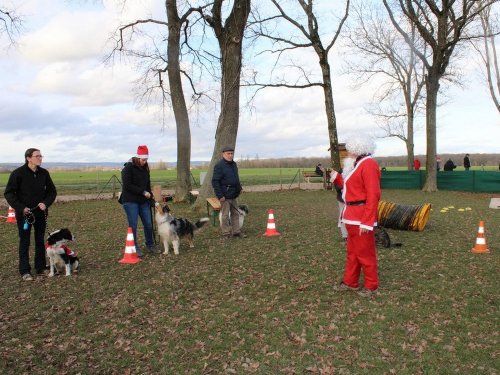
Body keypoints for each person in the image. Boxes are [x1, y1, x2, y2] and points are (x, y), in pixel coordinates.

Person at [329, 135, 381, 297]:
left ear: (358, 150)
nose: (347, 153)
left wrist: (367, 221)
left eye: (349, 150)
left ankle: (371, 285)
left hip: (360, 218)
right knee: (353, 253)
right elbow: (352, 189)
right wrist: (337, 178)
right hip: (351, 216)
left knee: (365, 253)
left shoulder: (368, 165)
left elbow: (373, 194)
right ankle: (351, 282)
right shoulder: (357, 165)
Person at [4, 148, 57, 281]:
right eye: (37, 156)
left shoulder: (44, 173)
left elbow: (52, 191)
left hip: (40, 213)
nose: (40, 158)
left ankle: (40, 267)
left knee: (40, 240)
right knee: (25, 241)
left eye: (41, 156)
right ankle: (24, 270)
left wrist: (45, 203)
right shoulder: (18, 173)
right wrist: (21, 208)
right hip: (24, 215)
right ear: (28, 158)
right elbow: (9, 193)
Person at [120, 145, 156, 256]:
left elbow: (147, 184)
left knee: (149, 224)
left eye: (146, 160)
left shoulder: (145, 168)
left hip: (143, 200)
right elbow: (127, 185)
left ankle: (150, 244)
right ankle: (134, 247)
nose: (145, 162)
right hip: (130, 200)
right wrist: (142, 192)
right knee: (133, 224)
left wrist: (151, 196)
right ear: (138, 157)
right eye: (143, 159)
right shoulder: (128, 168)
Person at [212, 145, 246, 238]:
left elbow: (236, 178)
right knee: (225, 215)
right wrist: (220, 195)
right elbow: (215, 181)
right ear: (223, 154)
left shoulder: (234, 164)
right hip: (224, 195)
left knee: (235, 213)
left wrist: (239, 187)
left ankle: (236, 231)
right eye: (228, 153)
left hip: (234, 193)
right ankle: (225, 233)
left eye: (231, 153)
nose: (230, 155)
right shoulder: (219, 166)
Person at [331, 157, 355, 242]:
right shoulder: (340, 172)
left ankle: (353, 234)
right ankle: (345, 235)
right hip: (342, 198)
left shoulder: (355, 171)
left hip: (353, 199)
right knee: (343, 216)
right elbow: (337, 184)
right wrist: (342, 188)